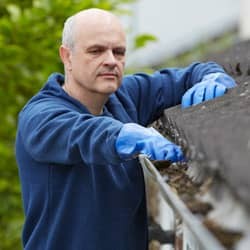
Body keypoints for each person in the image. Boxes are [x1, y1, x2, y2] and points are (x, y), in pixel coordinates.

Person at [15, 8, 236, 250]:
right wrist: (121, 135)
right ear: (67, 56)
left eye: (118, 51)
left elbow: (189, 75)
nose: (110, 60)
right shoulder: (39, 117)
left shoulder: (126, 97)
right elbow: (79, 132)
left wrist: (213, 75)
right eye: (96, 51)